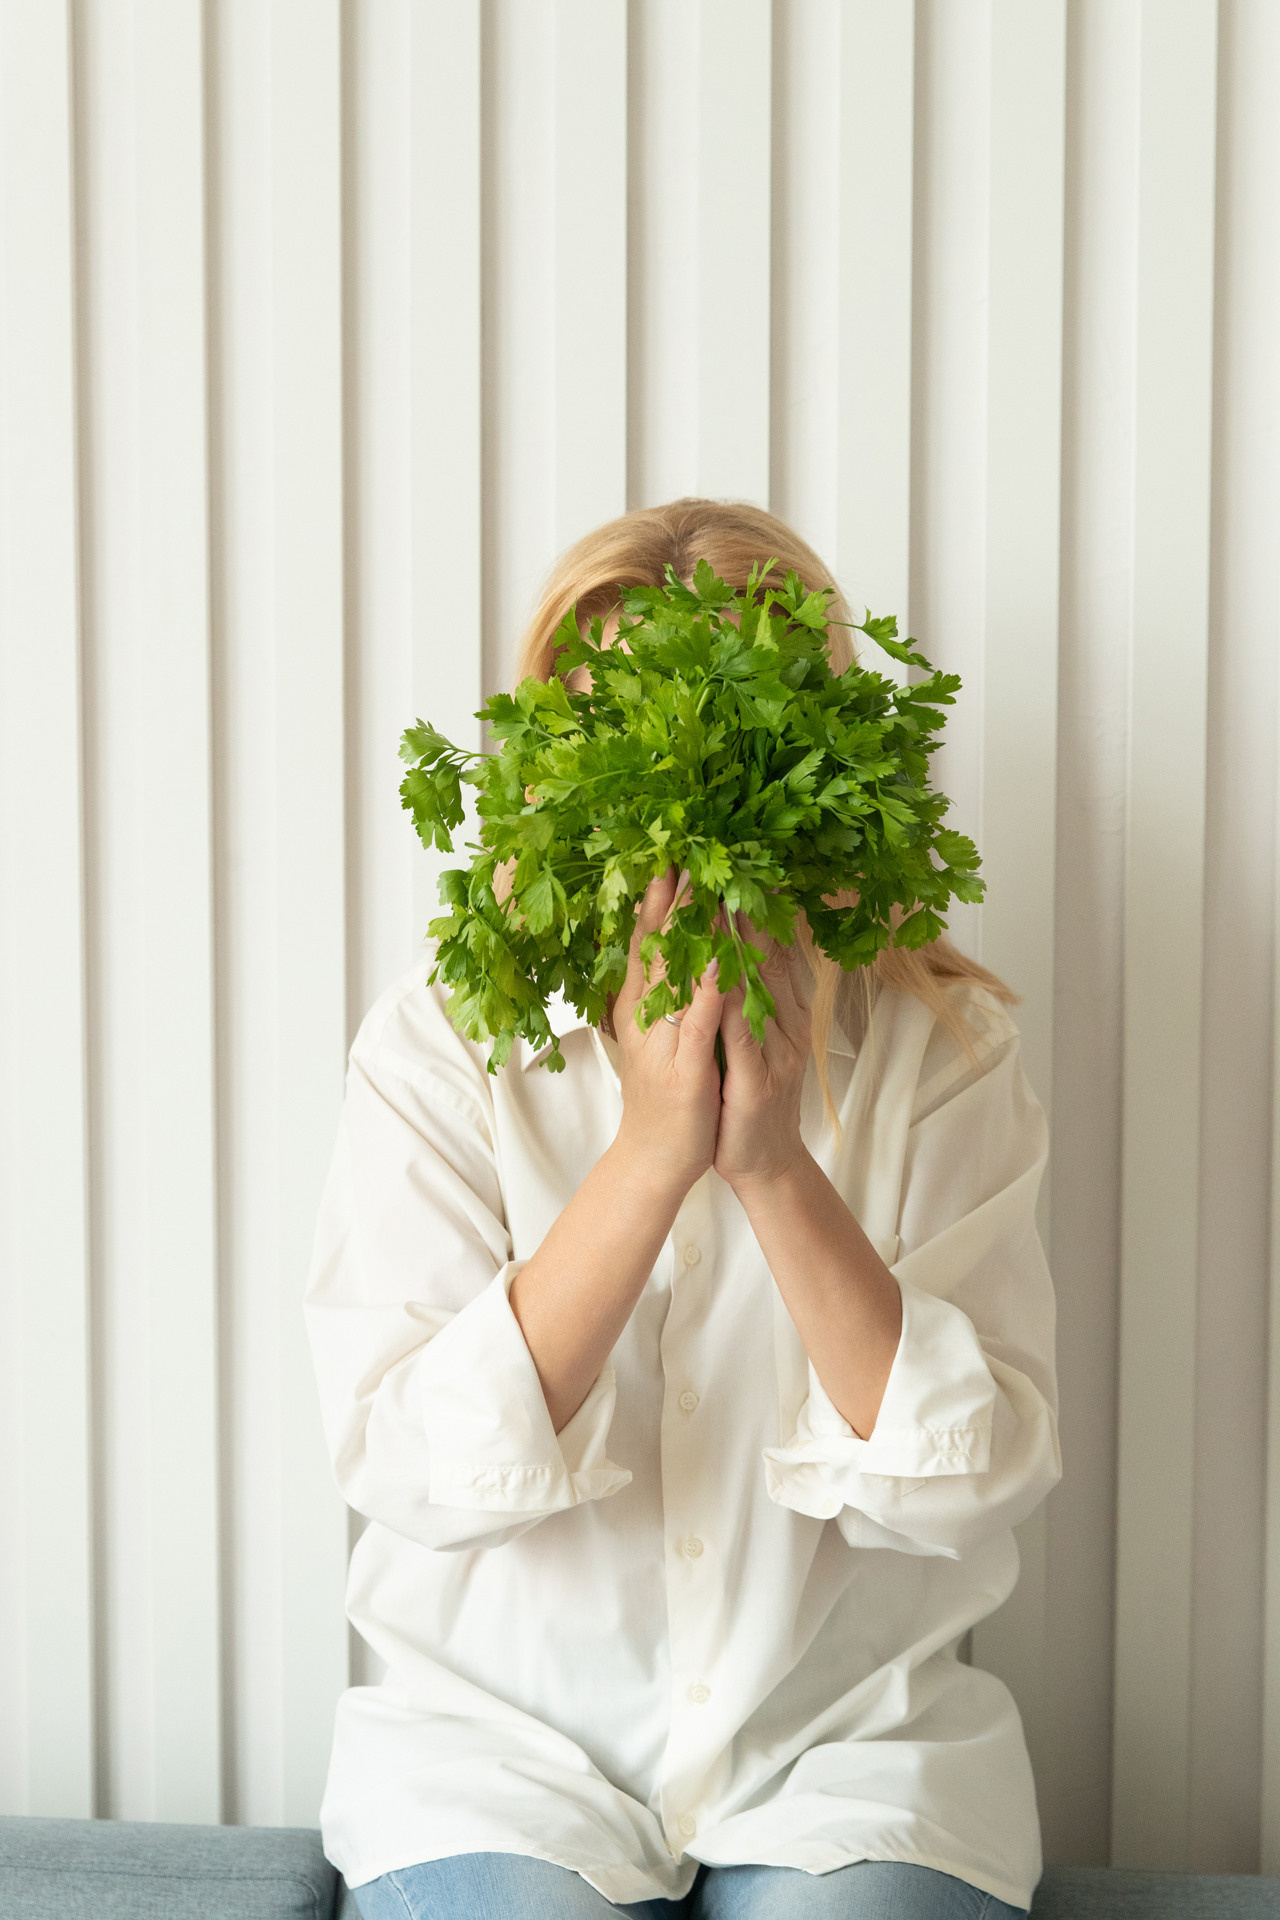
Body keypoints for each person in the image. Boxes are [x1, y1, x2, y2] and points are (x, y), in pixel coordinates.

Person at [303, 498, 1061, 1919]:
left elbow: (980, 1478)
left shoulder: (944, 1057)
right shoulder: (437, 1045)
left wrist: (771, 1163)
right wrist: (654, 1149)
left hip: (848, 1756)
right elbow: (405, 1468)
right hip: (500, 1756)